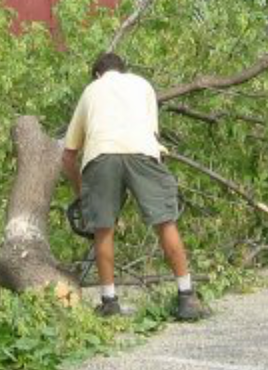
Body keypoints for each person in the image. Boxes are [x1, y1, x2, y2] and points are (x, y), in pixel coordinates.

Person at [61, 52, 210, 322]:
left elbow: (68, 155)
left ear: (97, 74)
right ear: (123, 70)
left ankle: (109, 301)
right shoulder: (143, 85)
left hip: (101, 155)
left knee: (103, 229)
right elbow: (152, 135)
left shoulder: (91, 90)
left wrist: (81, 191)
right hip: (143, 151)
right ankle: (186, 296)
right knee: (165, 221)